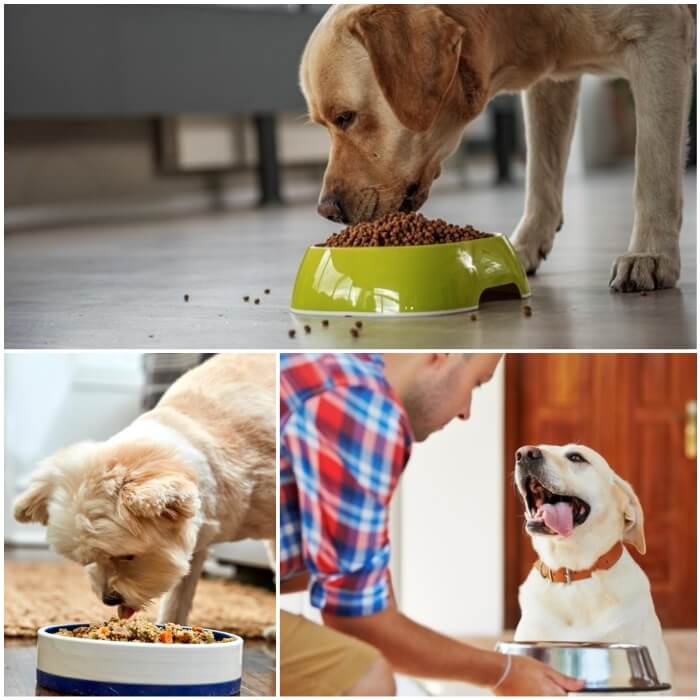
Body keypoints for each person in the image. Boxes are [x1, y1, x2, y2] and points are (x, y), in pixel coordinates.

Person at [279, 352, 585, 696]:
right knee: (367, 676)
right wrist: (503, 672)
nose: (466, 411)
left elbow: (339, 581)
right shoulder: (363, 407)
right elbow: (357, 621)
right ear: (442, 354)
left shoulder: (342, 363)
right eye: (476, 384)